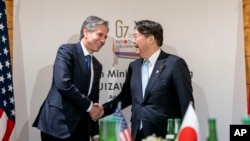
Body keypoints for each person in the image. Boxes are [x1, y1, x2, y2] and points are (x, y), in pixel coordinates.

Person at [94, 20, 194, 141]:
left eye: (136, 36)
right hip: (138, 133)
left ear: (151, 39)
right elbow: (125, 98)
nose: (133, 41)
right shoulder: (134, 66)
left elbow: (186, 104)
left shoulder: (175, 64)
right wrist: (102, 110)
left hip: (166, 135)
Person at [32, 15, 109, 141]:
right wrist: (90, 107)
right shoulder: (67, 51)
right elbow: (63, 84)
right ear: (86, 32)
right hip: (57, 126)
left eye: (105, 37)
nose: (103, 40)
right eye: (100, 35)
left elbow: (94, 99)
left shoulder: (97, 65)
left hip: (81, 130)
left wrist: (95, 133)